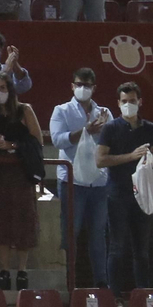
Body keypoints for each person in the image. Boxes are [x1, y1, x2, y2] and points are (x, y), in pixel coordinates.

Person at [50, 69, 114, 290]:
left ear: (94, 88)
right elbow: (58, 141)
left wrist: (103, 130)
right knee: (71, 234)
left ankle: (102, 283)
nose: (83, 89)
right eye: (79, 84)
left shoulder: (105, 112)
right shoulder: (62, 111)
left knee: (98, 234)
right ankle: (70, 283)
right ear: (72, 86)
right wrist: (85, 130)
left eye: (87, 85)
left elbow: (112, 142)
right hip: (72, 182)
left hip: (99, 182)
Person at [0, 71, 43, 290]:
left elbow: (36, 139)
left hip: (21, 173)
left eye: (2, 88)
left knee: (23, 220)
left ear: (10, 90)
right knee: (0, 222)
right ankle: (4, 270)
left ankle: (22, 271)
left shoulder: (24, 110)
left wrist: (13, 145)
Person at [98, 82, 153, 295]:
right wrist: (131, 156)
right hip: (118, 194)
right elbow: (100, 160)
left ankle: (145, 297)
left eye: (132, 101)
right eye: (124, 102)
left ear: (140, 102)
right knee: (117, 247)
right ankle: (115, 297)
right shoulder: (111, 128)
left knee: (142, 250)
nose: (128, 105)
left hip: (144, 195)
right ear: (118, 104)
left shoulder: (149, 129)